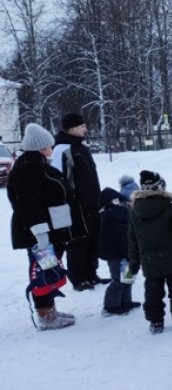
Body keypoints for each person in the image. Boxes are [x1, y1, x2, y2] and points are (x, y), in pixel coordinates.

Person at [7, 123, 85, 330]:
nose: (53, 147)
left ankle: (50, 309)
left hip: (52, 229)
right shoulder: (27, 170)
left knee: (49, 268)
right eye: (50, 144)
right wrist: (40, 231)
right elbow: (28, 204)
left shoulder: (38, 165)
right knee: (42, 270)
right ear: (40, 147)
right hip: (40, 232)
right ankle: (45, 315)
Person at [127, 171, 172, 333]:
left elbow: (133, 241)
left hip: (150, 262)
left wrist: (133, 266)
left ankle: (155, 322)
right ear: (161, 187)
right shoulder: (171, 209)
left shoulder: (134, 212)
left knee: (153, 292)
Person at [50, 112, 103, 290]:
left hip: (91, 203)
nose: (85, 129)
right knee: (78, 241)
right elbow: (58, 178)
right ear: (72, 128)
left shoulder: (81, 147)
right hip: (76, 205)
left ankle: (91, 273)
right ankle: (78, 277)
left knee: (92, 239)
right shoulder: (61, 149)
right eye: (82, 126)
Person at [99, 187, 141, 316]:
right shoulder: (117, 213)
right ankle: (110, 306)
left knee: (128, 277)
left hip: (121, 252)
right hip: (119, 253)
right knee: (119, 279)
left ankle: (125, 301)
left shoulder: (112, 211)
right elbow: (122, 236)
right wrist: (128, 252)